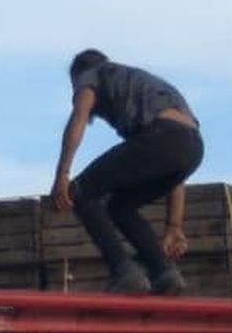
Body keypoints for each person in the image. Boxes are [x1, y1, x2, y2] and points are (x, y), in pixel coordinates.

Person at [50, 49, 204, 295]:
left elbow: (79, 117)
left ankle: (123, 270)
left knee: (82, 191)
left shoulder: (91, 74)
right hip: (193, 148)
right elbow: (176, 165)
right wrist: (174, 225)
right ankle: (164, 273)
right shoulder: (144, 85)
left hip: (162, 139)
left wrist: (62, 174)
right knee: (120, 206)